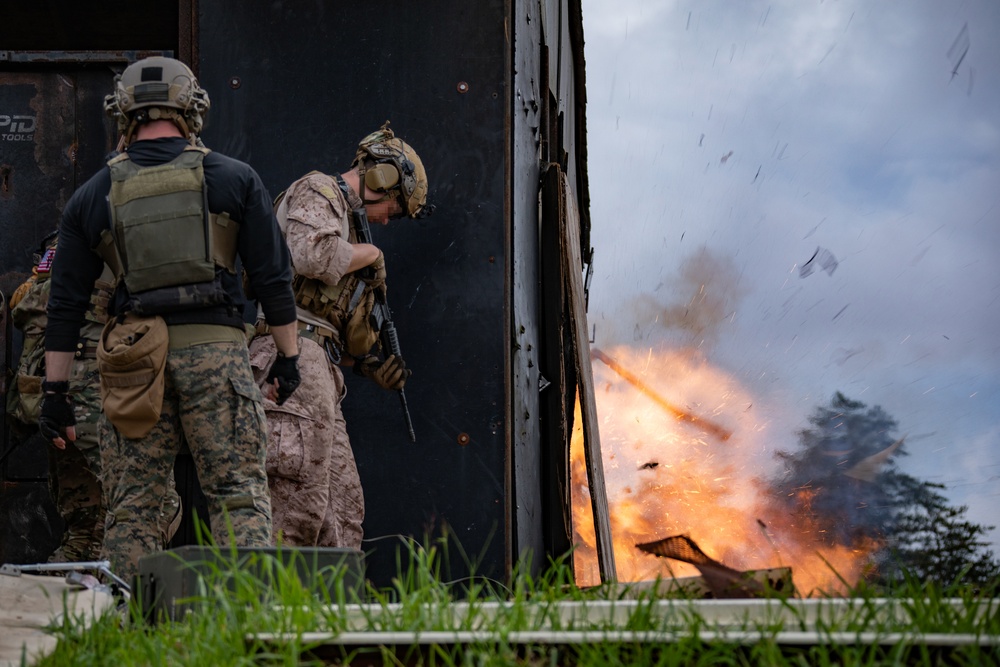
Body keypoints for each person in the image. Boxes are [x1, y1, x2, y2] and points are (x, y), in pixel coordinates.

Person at [40, 56, 301, 582]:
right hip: (218, 359)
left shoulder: (93, 195)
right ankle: (248, 627)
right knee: (237, 497)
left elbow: (64, 303)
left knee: (133, 506)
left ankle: (125, 630)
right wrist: (288, 359)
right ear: (191, 108)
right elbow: (273, 279)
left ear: (123, 112)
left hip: (136, 364)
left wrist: (55, 391)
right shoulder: (234, 178)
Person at [249, 122, 430, 549]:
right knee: (294, 508)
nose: (388, 219)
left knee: (342, 513)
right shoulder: (319, 190)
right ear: (381, 178)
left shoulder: (348, 223)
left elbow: (331, 325)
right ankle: (267, 611)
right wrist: (372, 255)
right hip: (289, 356)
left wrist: (367, 364)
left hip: (320, 368)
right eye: (395, 207)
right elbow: (310, 254)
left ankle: (330, 614)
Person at [8, 233, 181, 563]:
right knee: (154, 502)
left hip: (48, 384)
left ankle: (70, 585)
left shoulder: (62, 242)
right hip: (97, 385)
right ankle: (126, 588)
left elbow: (27, 309)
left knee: (84, 516)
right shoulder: (122, 232)